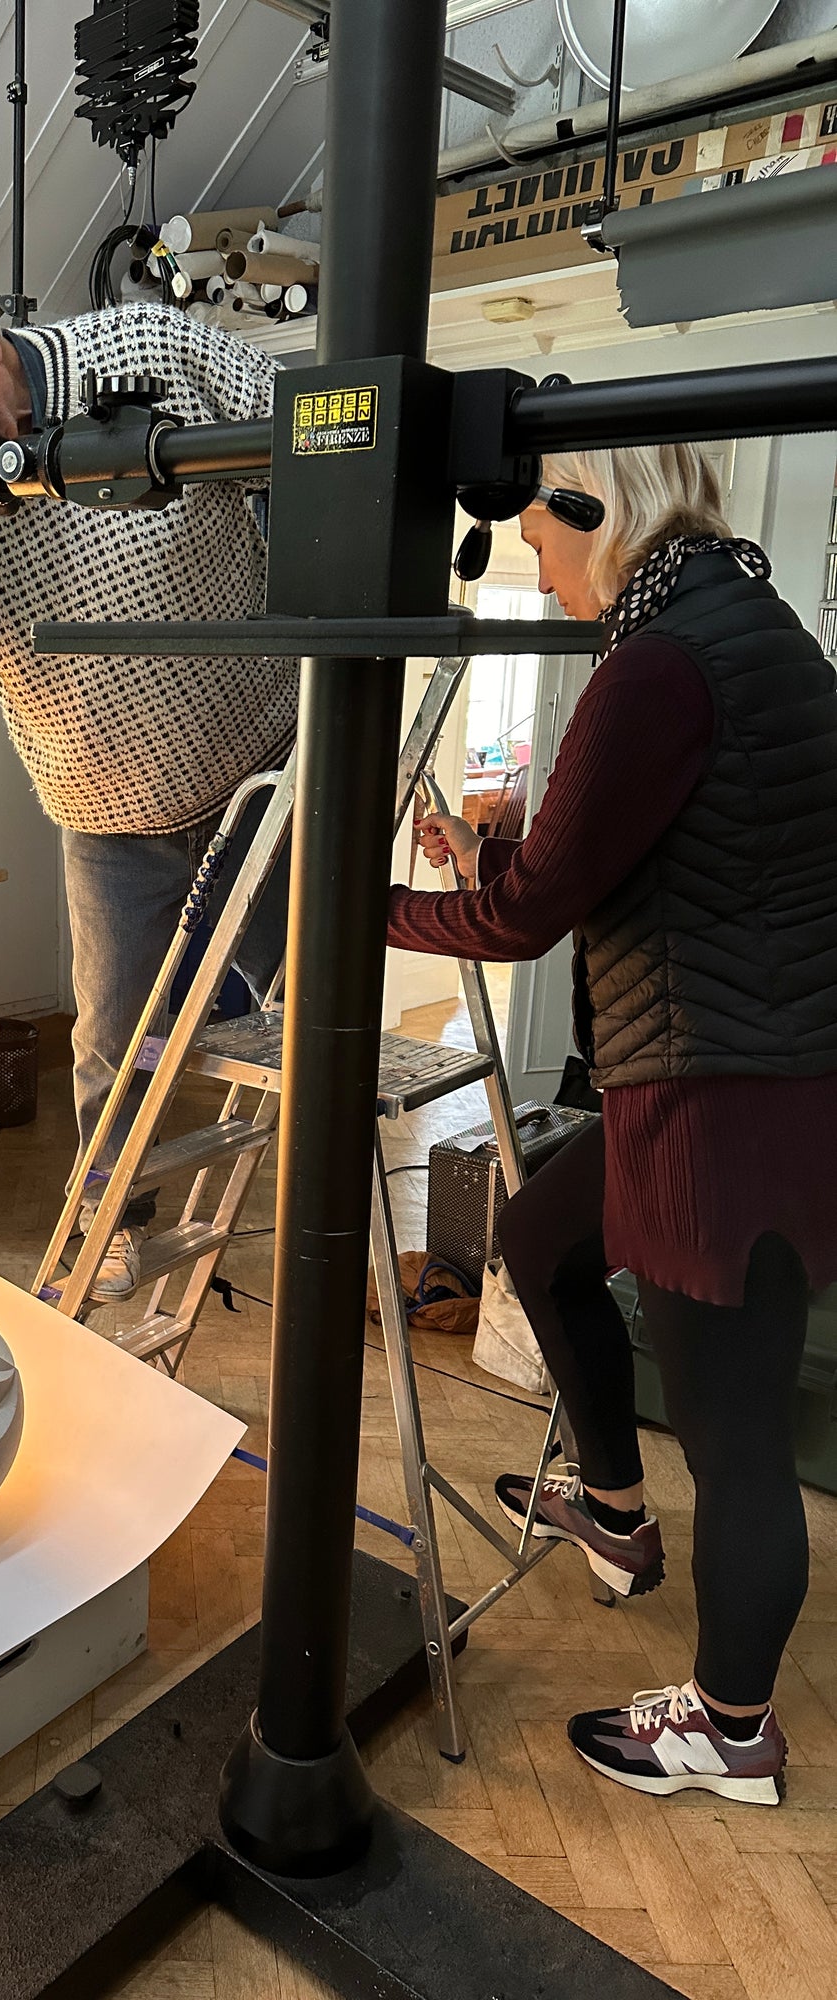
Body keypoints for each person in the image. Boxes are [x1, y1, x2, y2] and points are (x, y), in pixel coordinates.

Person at [390, 442, 837, 1807]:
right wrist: (488, 854)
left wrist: (375, 909)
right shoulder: (743, 623)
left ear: (599, 510)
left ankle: (731, 1725)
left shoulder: (658, 666)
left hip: (725, 1100)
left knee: (738, 1435)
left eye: (537, 535)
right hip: (739, 1064)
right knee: (539, 1235)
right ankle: (615, 1511)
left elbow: (532, 921)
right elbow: (630, 852)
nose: (534, 561)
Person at [0, 252, 294, 1299]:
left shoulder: (153, 349)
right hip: (105, 817)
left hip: (262, 778)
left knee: (309, 1024)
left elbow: (310, 441)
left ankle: (333, 1228)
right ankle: (112, 1230)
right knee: (109, 1052)